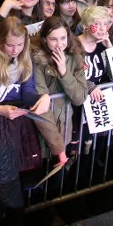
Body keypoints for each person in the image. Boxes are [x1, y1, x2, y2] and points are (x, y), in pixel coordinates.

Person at [0, 17, 50, 222]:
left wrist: (44, 96)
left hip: (13, 120)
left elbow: (27, 92)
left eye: (20, 45)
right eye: (10, 45)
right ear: (0, 41)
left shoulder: (25, 57)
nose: (15, 50)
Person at [31, 17, 87, 167]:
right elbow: (40, 99)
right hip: (41, 130)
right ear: (44, 39)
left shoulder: (75, 56)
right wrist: (58, 148)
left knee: (59, 178)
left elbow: (80, 97)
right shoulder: (36, 59)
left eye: (63, 38)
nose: (59, 44)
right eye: (53, 39)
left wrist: (63, 71)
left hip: (64, 125)